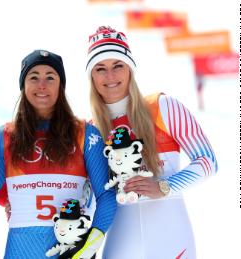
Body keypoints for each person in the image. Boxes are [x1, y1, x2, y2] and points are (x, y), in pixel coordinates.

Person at [85, 26, 218, 259]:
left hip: (171, 236)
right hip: (121, 241)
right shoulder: (90, 130)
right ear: (92, 76)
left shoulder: (163, 107)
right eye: (100, 68)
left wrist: (164, 187)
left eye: (118, 65)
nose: (111, 76)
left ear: (130, 70)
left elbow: (208, 162)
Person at [0, 49, 117, 259]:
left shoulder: (85, 134)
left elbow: (106, 195)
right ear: (23, 86)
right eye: (34, 77)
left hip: (70, 252)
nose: (42, 85)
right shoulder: (5, 136)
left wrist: (89, 245)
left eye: (50, 77)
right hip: (20, 252)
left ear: (61, 86)